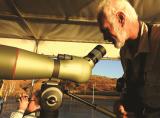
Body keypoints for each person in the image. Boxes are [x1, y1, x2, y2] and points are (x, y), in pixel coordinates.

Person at [97, 0, 160, 117]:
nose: (105, 37)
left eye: (106, 30)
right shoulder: (124, 52)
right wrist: (121, 104)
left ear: (121, 18)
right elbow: (133, 88)